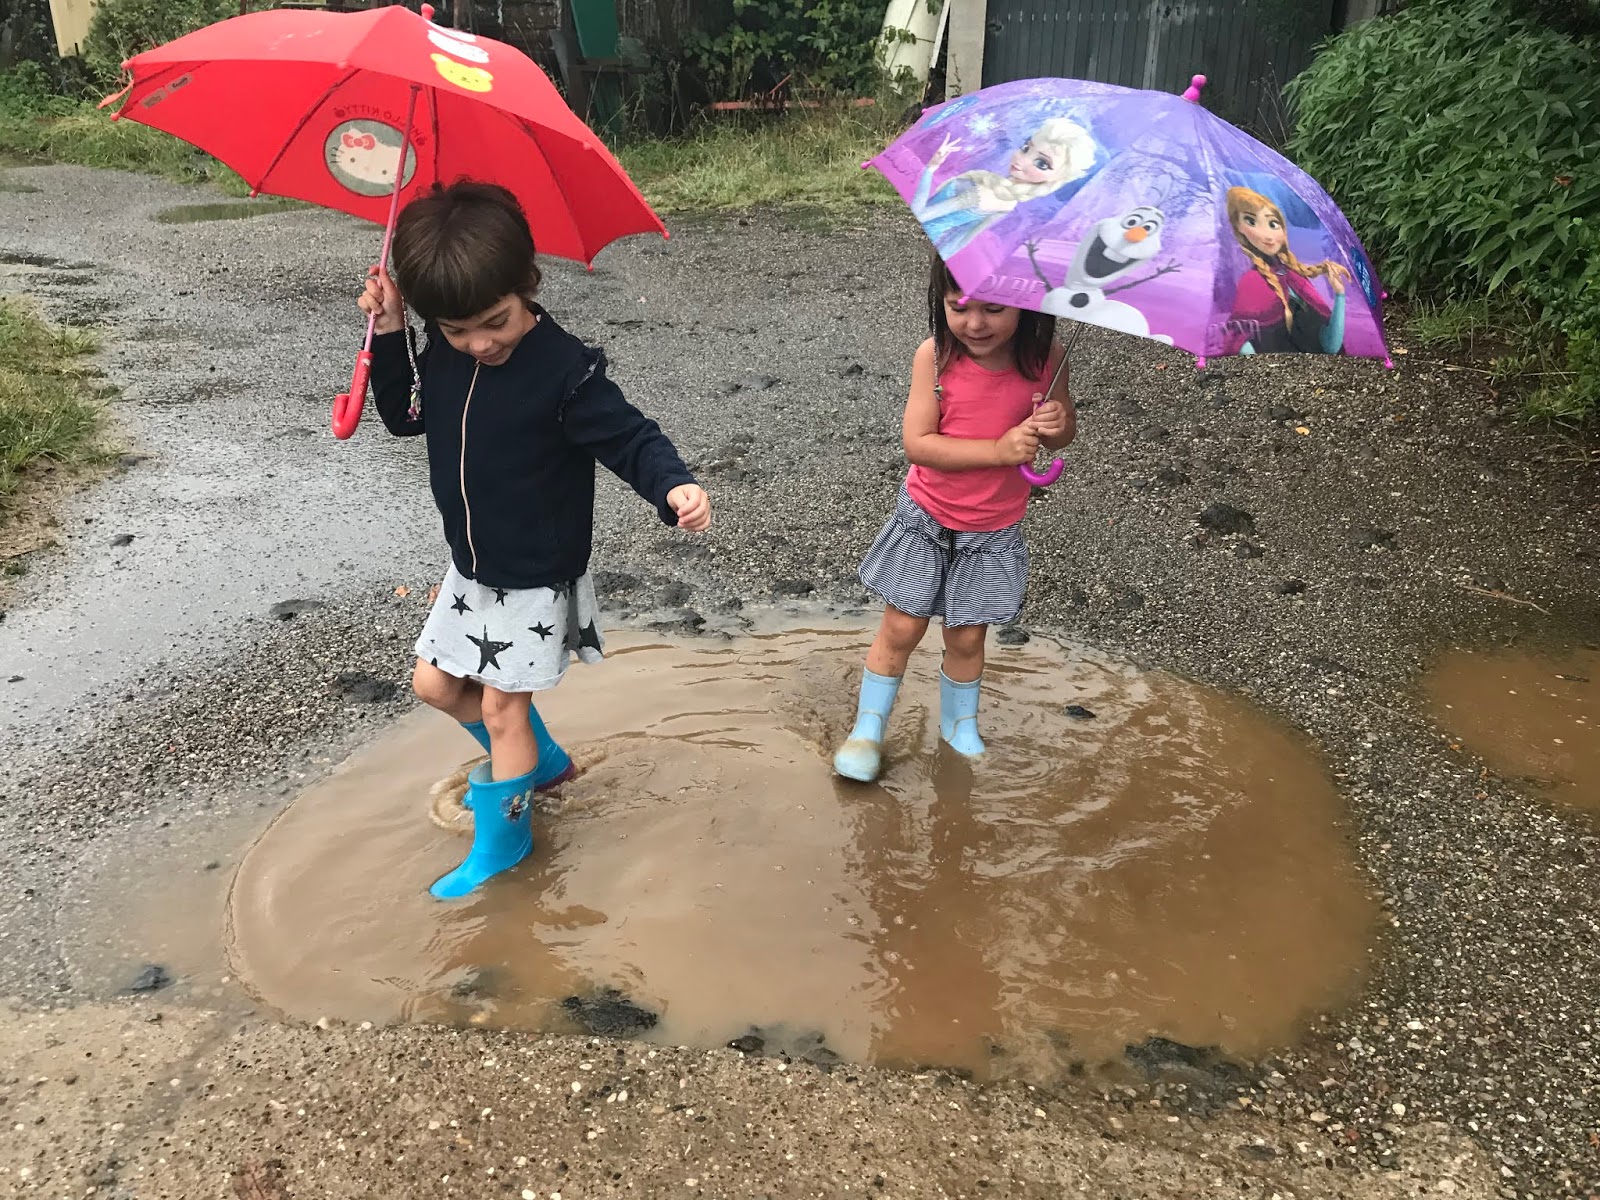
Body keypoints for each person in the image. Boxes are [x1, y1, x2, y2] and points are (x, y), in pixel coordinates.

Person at [357, 181, 711, 898]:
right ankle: (544, 767)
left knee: (499, 706)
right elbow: (405, 416)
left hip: (536, 575)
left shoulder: (564, 370)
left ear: (527, 285)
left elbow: (630, 436)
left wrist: (672, 485)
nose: (480, 344)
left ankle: (506, 841)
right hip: (474, 567)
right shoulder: (449, 344)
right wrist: (392, 333)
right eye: (457, 331)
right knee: (433, 684)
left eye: (496, 321)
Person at [833, 252, 1074, 783]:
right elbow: (918, 445)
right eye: (957, 307)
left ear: (1027, 306)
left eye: (993, 309)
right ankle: (867, 729)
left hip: (992, 530)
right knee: (901, 626)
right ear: (939, 304)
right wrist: (1000, 450)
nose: (974, 323)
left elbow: (1062, 434)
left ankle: (959, 725)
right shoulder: (935, 357)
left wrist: (1055, 423)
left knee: (967, 637)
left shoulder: (1046, 359)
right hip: (928, 519)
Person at [912, 117, 1100, 257]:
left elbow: (921, 214)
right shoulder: (1004, 200)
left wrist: (930, 169)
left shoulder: (985, 193)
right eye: (1026, 148)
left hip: (920, 239)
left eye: (1042, 164)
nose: (1021, 159)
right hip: (934, 248)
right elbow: (959, 240)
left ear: (1056, 179)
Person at [1221, 186, 1352, 356]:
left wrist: (1339, 295)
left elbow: (1330, 346)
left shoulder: (1295, 278)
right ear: (1239, 228)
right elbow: (1237, 339)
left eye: (1272, 224)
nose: (1267, 235)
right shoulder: (1251, 282)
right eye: (1251, 222)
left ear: (1283, 228)